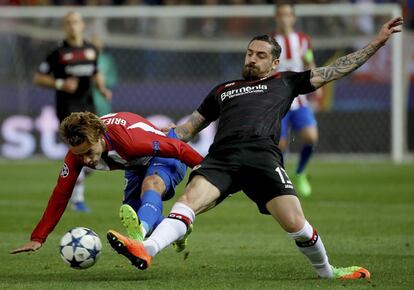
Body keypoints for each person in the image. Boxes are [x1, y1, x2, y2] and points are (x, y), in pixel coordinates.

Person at [105, 16, 403, 279]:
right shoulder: (223, 90)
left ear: (274, 63)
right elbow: (188, 128)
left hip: (262, 157)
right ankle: (146, 249)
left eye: (260, 55)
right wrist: (153, 137)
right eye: (249, 53)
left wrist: (376, 43)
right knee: (187, 201)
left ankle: (327, 272)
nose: (252, 59)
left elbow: (334, 70)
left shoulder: (285, 82)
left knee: (296, 224)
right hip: (222, 158)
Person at [9, 111, 203, 255]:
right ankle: (177, 229)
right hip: (135, 166)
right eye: (80, 155)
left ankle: (138, 237)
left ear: (98, 137)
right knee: (133, 211)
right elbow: (61, 194)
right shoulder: (76, 156)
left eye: (88, 152)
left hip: (167, 155)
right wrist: (38, 237)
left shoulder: (131, 141)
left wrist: (204, 171)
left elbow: (178, 148)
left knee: (151, 185)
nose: (85, 160)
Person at [33, 11, 112, 212]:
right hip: (68, 110)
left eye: (75, 22)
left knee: (95, 154)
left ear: (82, 25)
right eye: (68, 23)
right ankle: (77, 199)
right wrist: (60, 83)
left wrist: (102, 88)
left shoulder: (90, 50)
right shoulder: (58, 52)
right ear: (64, 27)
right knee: (83, 150)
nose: (72, 26)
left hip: (89, 108)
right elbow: (39, 78)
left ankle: (75, 182)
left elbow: (95, 72)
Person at [271, 3, 322, 197]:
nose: (284, 18)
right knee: (280, 146)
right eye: (281, 14)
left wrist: (317, 87)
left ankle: (300, 172)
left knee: (311, 138)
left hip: (300, 100)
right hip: (278, 102)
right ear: (276, 18)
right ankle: (280, 181)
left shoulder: (302, 40)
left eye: (287, 15)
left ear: (293, 18)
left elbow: (309, 62)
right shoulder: (270, 42)